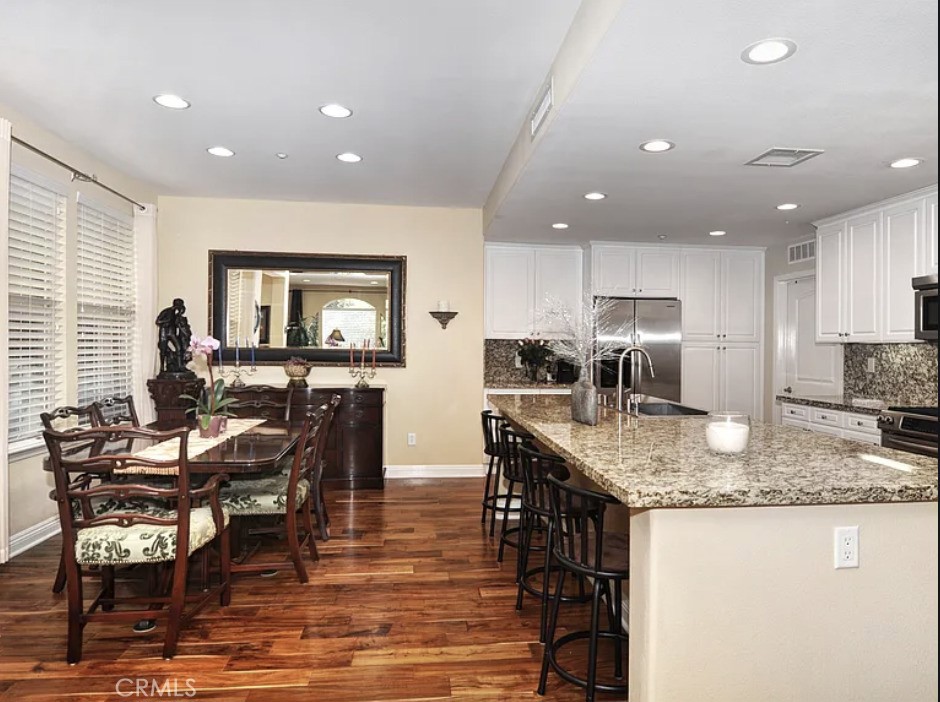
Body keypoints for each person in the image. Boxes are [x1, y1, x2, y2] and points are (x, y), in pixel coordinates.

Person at [156, 298, 193, 376]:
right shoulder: (166, 311)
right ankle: (162, 367)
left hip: (172, 332)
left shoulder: (177, 314)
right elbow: (158, 321)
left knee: (178, 347)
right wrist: (167, 321)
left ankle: (180, 366)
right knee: (163, 350)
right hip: (164, 332)